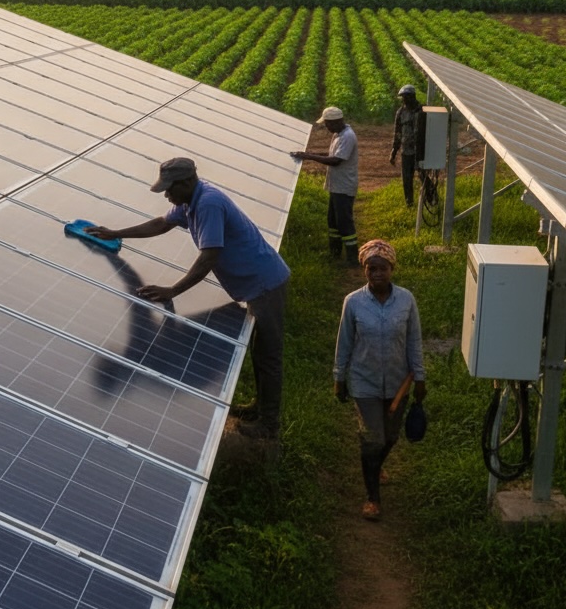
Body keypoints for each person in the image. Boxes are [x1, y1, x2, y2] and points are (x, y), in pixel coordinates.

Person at [88, 157, 290, 440]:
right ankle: (260, 407)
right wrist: (116, 233)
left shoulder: (207, 204)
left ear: (186, 182)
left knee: (267, 355)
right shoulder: (189, 202)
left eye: (169, 189)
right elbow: (160, 224)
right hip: (253, 285)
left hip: (264, 283)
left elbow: (209, 256)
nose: (167, 195)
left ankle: (269, 425)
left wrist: (173, 291)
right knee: (260, 352)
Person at [333, 239, 426, 520]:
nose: (376, 274)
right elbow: (344, 343)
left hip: (399, 383)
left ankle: (375, 467)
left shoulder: (406, 301)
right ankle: (372, 497)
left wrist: (420, 377)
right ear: (364, 270)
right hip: (365, 382)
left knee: (391, 437)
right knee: (373, 439)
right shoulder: (353, 303)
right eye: (370, 268)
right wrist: (339, 377)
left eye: (382, 268)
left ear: (392, 268)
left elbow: (414, 341)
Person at [290, 105, 360, 266]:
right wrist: (309, 154)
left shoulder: (347, 137)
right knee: (333, 221)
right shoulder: (338, 134)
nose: (326, 127)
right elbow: (331, 155)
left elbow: (336, 161)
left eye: (327, 124)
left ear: (336, 121)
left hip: (344, 186)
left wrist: (310, 156)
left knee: (344, 222)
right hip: (336, 186)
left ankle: (352, 259)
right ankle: (334, 253)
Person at [390, 85, 424, 207]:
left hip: (421, 151)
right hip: (406, 152)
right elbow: (397, 133)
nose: (403, 100)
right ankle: (409, 203)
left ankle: (430, 199)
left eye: (405, 97)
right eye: (402, 98)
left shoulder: (422, 111)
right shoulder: (401, 112)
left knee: (424, 177)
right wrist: (394, 152)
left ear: (412, 97)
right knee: (407, 179)